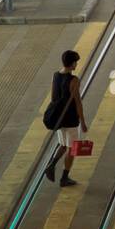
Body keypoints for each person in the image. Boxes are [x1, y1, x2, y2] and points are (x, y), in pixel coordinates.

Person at [44, 49, 88, 186]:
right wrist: (83, 122)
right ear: (72, 63)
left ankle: (52, 165)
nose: (76, 65)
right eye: (76, 62)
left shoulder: (55, 75)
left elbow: (53, 97)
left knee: (63, 145)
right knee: (73, 148)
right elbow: (78, 102)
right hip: (70, 119)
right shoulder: (74, 80)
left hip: (58, 118)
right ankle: (65, 177)